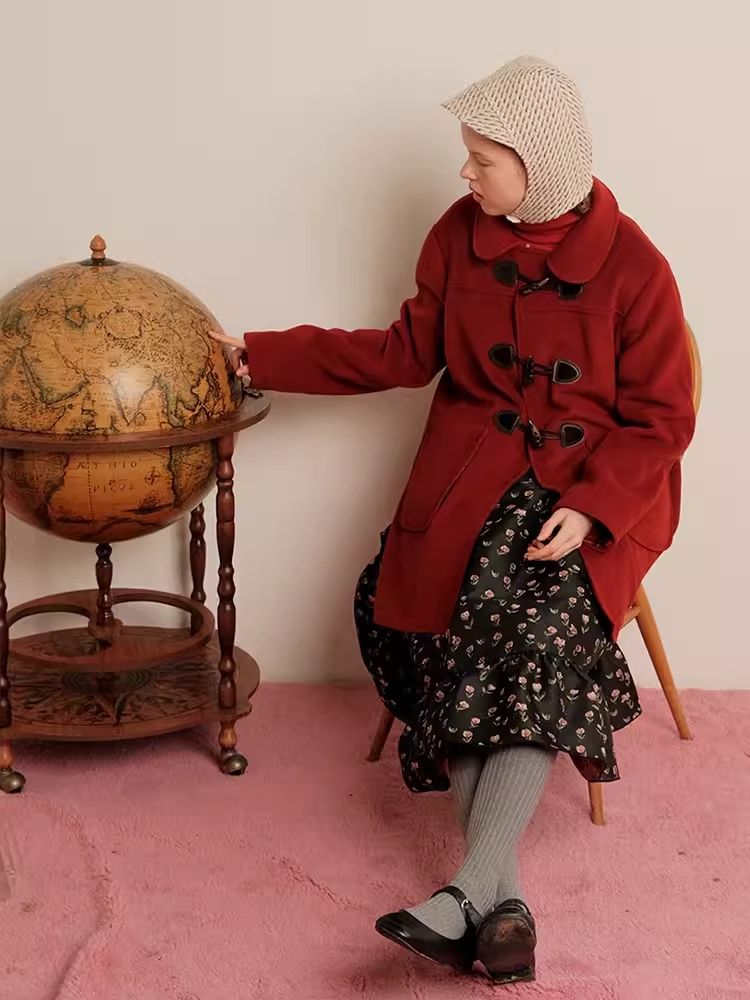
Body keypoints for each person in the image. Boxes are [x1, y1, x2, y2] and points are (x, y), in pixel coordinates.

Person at [211, 55, 695, 985]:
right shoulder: (457, 235)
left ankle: (468, 890)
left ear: (540, 165)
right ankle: (497, 906)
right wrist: (261, 354)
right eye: (468, 155)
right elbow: (402, 352)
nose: (465, 173)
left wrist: (591, 509)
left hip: (593, 495)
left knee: (533, 634)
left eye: (484, 159)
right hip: (469, 480)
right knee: (457, 632)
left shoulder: (637, 267)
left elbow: (664, 418)